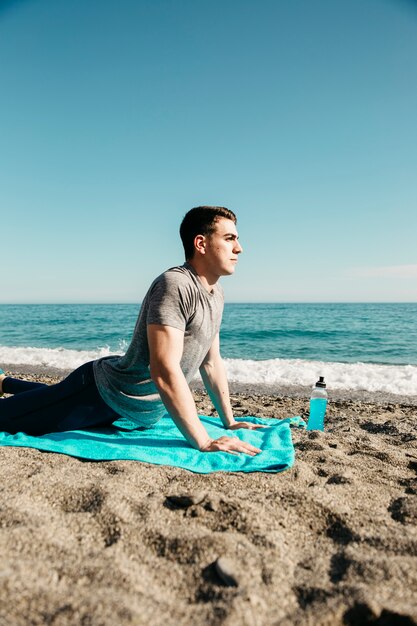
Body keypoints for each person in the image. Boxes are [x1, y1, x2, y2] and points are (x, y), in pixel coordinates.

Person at [0, 206, 263, 455]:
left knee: (51, 396)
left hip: (133, 409)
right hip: (104, 395)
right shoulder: (175, 285)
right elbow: (164, 369)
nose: (239, 248)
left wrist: (229, 422)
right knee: (10, 416)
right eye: (229, 239)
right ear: (201, 244)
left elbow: (211, 362)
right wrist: (203, 441)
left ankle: (5, 382)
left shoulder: (216, 295)